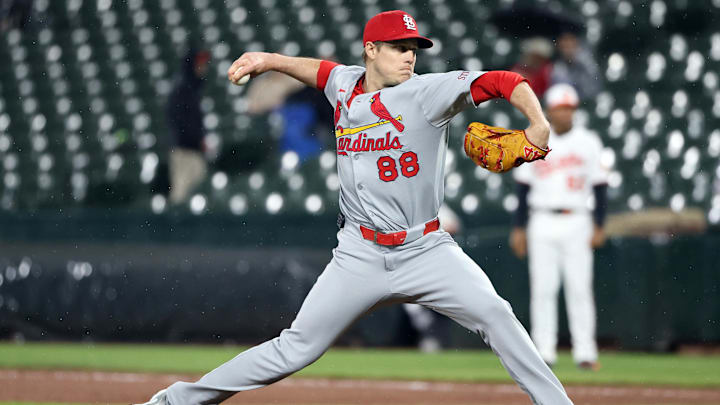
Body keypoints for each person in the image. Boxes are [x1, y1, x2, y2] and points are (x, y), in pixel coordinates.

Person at [136, 10, 573, 405]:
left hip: (426, 249)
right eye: (399, 48)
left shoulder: (428, 92)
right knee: (295, 349)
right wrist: (269, 59)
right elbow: (320, 71)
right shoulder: (345, 84)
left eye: (414, 49)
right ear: (371, 50)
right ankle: (174, 401)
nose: (409, 57)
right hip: (359, 254)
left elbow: (504, 81)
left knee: (497, 315)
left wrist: (537, 123)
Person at [509, 83, 609, 371]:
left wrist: (599, 224)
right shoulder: (536, 137)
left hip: (578, 218)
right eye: (561, 107)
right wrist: (519, 228)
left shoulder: (588, 141)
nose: (566, 112)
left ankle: (585, 352)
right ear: (550, 110)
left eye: (570, 107)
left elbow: (601, 187)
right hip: (540, 219)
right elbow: (523, 189)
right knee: (543, 288)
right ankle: (544, 352)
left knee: (579, 288)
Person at [166, 48, 210, 204]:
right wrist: (196, 140)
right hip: (184, 151)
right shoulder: (183, 90)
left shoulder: (193, 88)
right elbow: (179, 123)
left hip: (191, 150)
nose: (204, 68)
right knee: (181, 194)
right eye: (200, 64)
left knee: (195, 189)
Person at [551, 31, 601, 101]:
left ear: (576, 44)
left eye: (569, 45)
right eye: (564, 46)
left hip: (587, 102)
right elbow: (559, 91)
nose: (567, 50)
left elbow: (593, 90)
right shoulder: (558, 68)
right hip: (567, 103)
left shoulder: (587, 63)